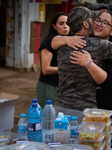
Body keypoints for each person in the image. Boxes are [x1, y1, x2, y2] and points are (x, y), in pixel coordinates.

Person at [50, 6, 112, 123]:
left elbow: (51, 42)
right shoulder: (99, 45)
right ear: (86, 24)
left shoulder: (62, 46)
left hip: (59, 108)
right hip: (83, 111)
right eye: (93, 20)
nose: (96, 23)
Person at [36, 12, 85, 108]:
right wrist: (68, 69)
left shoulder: (72, 41)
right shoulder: (48, 43)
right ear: (54, 26)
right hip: (49, 86)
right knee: (49, 117)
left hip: (65, 87)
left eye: (67, 23)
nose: (65, 26)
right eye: (61, 24)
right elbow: (46, 70)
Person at [70, 10, 112, 110]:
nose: (99, 24)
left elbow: (109, 83)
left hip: (106, 107)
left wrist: (89, 64)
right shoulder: (83, 41)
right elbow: (51, 42)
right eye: (97, 20)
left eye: (105, 23)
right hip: (82, 104)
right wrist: (66, 39)